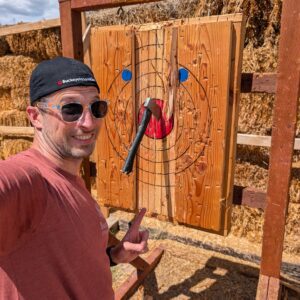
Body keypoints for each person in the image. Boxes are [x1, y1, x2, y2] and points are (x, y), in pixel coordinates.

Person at [0, 56, 149, 299]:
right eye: (71, 109)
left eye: (96, 107)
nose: (89, 123)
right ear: (35, 116)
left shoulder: (69, 177)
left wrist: (115, 256)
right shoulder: (30, 182)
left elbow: (69, 258)